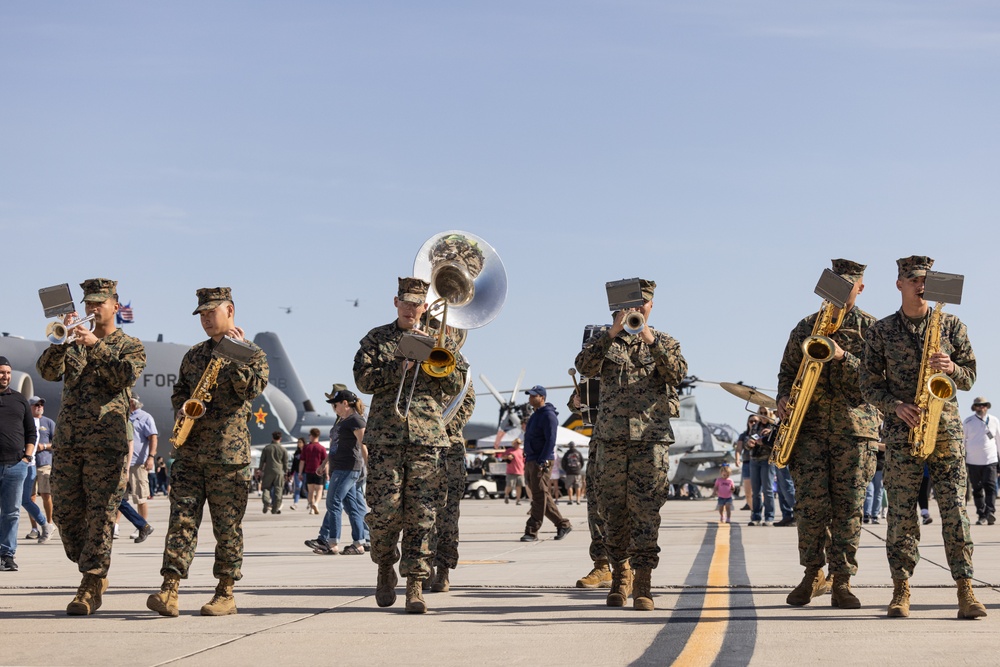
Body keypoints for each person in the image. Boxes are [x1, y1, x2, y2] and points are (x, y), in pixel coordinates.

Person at [861, 255, 986, 619]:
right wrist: (895, 405)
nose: (920, 285)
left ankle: (965, 589)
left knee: (955, 512)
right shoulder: (881, 331)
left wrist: (952, 368)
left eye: (925, 279)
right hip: (903, 432)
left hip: (946, 431)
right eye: (913, 279)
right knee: (900, 514)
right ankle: (901, 589)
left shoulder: (952, 325)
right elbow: (868, 384)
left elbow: (970, 375)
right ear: (900, 283)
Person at [147, 287, 268, 618]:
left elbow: (251, 390)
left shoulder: (252, 353)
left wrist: (237, 355)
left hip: (229, 458)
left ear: (229, 310)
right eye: (200, 314)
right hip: (190, 453)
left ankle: (225, 593)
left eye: (210, 312)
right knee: (181, 522)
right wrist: (183, 410)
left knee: (227, 528)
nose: (204, 319)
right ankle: (169, 589)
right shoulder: (194, 355)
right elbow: (179, 392)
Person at [354, 276, 467, 614]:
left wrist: (433, 354)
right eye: (405, 301)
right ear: (395, 302)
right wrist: (397, 366)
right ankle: (385, 566)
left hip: (427, 439)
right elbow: (363, 380)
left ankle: (415, 584)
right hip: (387, 438)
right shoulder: (377, 338)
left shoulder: (439, 338)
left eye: (417, 303)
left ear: (425, 307)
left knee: (423, 516)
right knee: (385, 512)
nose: (410, 308)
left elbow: (457, 382)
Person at [575, 278, 687, 611]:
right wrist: (612, 331)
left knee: (646, 513)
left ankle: (643, 584)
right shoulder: (604, 341)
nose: (637, 311)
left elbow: (677, 374)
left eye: (643, 305)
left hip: (650, 442)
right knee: (612, 512)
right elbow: (584, 367)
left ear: (651, 307)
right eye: (631, 306)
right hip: (611, 440)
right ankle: (620, 577)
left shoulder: (665, 341)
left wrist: (648, 337)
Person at [37, 278, 146, 615]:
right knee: (67, 516)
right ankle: (90, 565)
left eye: (99, 303)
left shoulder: (130, 345)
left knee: (100, 516)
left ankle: (91, 583)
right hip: (69, 443)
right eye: (88, 304)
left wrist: (96, 344)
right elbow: (46, 371)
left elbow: (124, 376)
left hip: (106, 444)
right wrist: (62, 341)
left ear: (115, 305)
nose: (92, 309)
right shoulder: (72, 344)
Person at [776, 259, 880, 608]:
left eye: (846, 285)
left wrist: (841, 356)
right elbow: (787, 371)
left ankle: (842, 580)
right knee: (810, 507)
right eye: (833, 284)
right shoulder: (807, 326)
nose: (839, 291)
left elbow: (875, 382)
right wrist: (782, 398)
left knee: (848, 508)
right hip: (808, 430)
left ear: (859, 288)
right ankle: (811, 573)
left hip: (854, 431)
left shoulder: (874, 330)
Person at [310, 389, 368, 555]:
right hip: (339, 467)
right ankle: (359, 544)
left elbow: (363, 445)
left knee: (333, 502)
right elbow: (335, 446)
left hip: (348, 467)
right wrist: (324, 464)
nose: (334, 408)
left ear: (345, 404)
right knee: (351, 506)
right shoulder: (342, 421)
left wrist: (368, 466)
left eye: (336, 404)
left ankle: (332, 543)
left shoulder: (356, 420)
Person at [430, 386, 476, 592]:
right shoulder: (415, 358)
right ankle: (421, 567)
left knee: (448, 515)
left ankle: (443, 569)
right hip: (421, 446)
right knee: (419, 514)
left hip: (450, 449)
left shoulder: (458, 365)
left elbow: (467, 403)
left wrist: (443, 426)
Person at [568, 390, 612, 589]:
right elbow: (578, 397)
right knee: (596, 509)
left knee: (631, 511)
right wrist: (576, 403)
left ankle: (629, 568)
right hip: (600, 447)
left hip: (634, 447)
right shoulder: (598, 367)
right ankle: (602, 566)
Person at [519, 385, 572, 543]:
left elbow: (551, 440)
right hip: (531, 459)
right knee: (542, 495)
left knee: (539, 496)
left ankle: (531, 530)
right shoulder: (535, 415)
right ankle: (563, 524)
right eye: (529, 395)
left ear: (542, 397)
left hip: (541, 460)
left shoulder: (548, 415)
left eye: (533, 396)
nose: (530, 398)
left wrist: (542, 460)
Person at [0, 356, 37, 572]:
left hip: (16, 466)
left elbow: (31, 432)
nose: (5, 376)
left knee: (12, 512)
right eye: (1, 372)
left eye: (7, 373)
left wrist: (27, 458)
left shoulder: (20, 399)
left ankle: (7, 555)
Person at [963, 397, 1000, 526]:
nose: (981, 407)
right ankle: (981, 514)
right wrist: (962, 458)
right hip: (973, 461)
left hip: (990, 460)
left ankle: (990, 512)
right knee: (977, 489)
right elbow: (962, 441)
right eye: (978, 405)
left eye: (984, 405)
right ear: (974, 407)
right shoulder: (968, 422)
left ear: (987, 407)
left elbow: (998, 441)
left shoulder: (994, 421)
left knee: (990, 487)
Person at [21, 397, 53, 544]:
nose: (39, 407)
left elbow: (57, 442)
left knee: (43, 495)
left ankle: (48, 523)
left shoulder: (47, 423)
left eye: (41, 405)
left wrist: (45, 447)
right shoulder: (25, 420)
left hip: (38, 464)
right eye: (36, 405)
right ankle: (35, 528)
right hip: (23, 464)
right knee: (29, 498)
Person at [127, 396, 158, 530]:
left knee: (140, 497)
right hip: (122, 464)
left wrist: (151, 457)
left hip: (138, 464)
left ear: (131, 403)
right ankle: (115, 526)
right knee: (118, 498)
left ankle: (142, 526)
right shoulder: (122, 417)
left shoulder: (145, 417)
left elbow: (153, 438)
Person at [746, 410, 777, 526]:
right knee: (756, 492)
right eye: (761, 412)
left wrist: (764, 441)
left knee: (768, 490)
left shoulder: (773, 426)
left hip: (767, 460)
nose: (763, 414)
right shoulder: (755, 426)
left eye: (765, 412)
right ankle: (756, 516)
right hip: (754, 460)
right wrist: (749, 443)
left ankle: (769, 517)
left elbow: (777, 443)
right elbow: (747, 441)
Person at [259, 431, 289, 514]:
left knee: (266, 488)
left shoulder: (267, 448)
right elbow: (285, 463)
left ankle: (266, 502)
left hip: (268, 470)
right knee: (278, 489)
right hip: (279, 471)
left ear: (272, 438)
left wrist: (260, 469)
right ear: (280, 438)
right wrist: (286, 473)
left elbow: (262, 461)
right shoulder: (283, 449)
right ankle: (275, 508)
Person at [300, 428, 327, 514]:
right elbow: (325, 461)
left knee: (310, 491)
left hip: (308, 471)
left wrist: (300, 472)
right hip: (319, 472)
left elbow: (302, 461)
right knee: (319, 490)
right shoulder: (321, 448)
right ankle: (316, 503)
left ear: (311, 436)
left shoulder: (306, 448)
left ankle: (311, 508)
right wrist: (327, 472)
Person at [735, 415, 759, 510]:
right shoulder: (743, 435)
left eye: (755, 421)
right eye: (751, 421)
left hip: (758, 462)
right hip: (747, 463)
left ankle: (759, 511)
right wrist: (737, 458)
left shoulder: (761, 433)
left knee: (758, 491)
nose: (753, 423)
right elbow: (738, 448)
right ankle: (753, 510)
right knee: (748, 492)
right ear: (748, 422)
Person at [864, 444, 886, 525]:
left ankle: (875, 515)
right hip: (868, 467)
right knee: (869, 491)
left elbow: (885, 447)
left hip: (880, 467)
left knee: (878, 492)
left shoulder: (883, 434)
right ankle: (866, 514)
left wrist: (873, 443)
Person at [502, 438, 526, 504]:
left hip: (520, 471)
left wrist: (525, 467)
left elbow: (524, 460)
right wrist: (507, 457)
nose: (518, 445)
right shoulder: (509, 450)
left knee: (519, 486)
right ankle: (506, 495)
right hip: (511, 471)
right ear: (514, 443)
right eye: (516, 443)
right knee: (509, 485)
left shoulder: (522, 451)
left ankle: (518, 500)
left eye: (519, 443)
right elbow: (502, 457)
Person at [289, 438, 305, 509]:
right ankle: (295, 503)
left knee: (306, 489)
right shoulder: (296, 453)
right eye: (298, 442)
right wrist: (291, 473)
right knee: (297, 488)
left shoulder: (306, 452)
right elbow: (294, 464)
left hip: (305, 472)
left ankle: (311, 503)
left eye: (300, 442)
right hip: (297, 472)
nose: (299, 443)